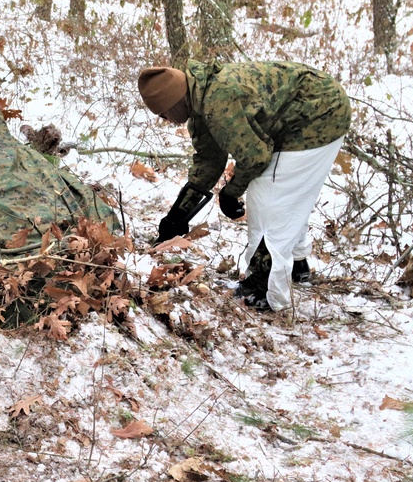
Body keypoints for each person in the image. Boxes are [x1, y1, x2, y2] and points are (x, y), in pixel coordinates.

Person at [137, 61, 351, 312]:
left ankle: (264, 288)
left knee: (268, 198)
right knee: (284, 192)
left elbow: (256, 157)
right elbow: (209, 162)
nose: (166, 120)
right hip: (310, 110)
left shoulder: (219, 101)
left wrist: (231, 193)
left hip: (320, 114)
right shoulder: (201, 99)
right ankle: (297, 263)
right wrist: (178, 215)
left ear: (175, 102)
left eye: (163, 113)